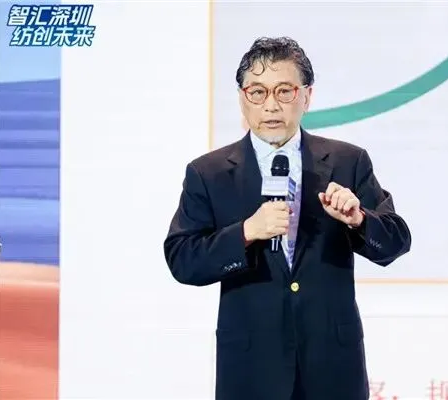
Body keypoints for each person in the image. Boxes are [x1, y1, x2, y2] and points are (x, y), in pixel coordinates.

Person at [163, 36, 411, 400]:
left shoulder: (347, 162)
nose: (271, 105)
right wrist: (246, 232)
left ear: (306, 97)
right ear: (242, 99)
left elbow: (396, 242)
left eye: (284, 91)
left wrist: (359, 219)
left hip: (332, 366)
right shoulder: (209, 173)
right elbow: (183, 260)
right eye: (257, 92)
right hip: (250, 369)